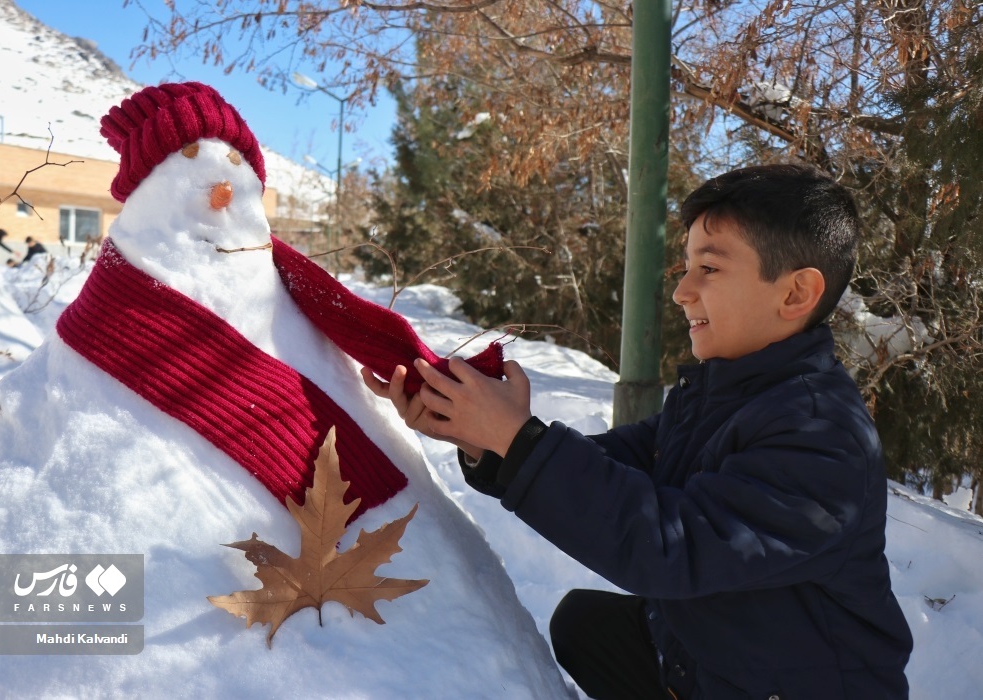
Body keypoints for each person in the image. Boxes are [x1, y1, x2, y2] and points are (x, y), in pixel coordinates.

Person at [362, 163, 913, 699]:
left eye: (711, 269)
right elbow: (619, 465)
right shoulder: (725, 394)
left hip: (792, 685)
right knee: (584, 624)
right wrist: (483, 437)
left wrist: (517, 439)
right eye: (687, 268)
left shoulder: (821, 433)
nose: (682, 292)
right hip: (711, 659)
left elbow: (674, 547)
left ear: (795, 294)